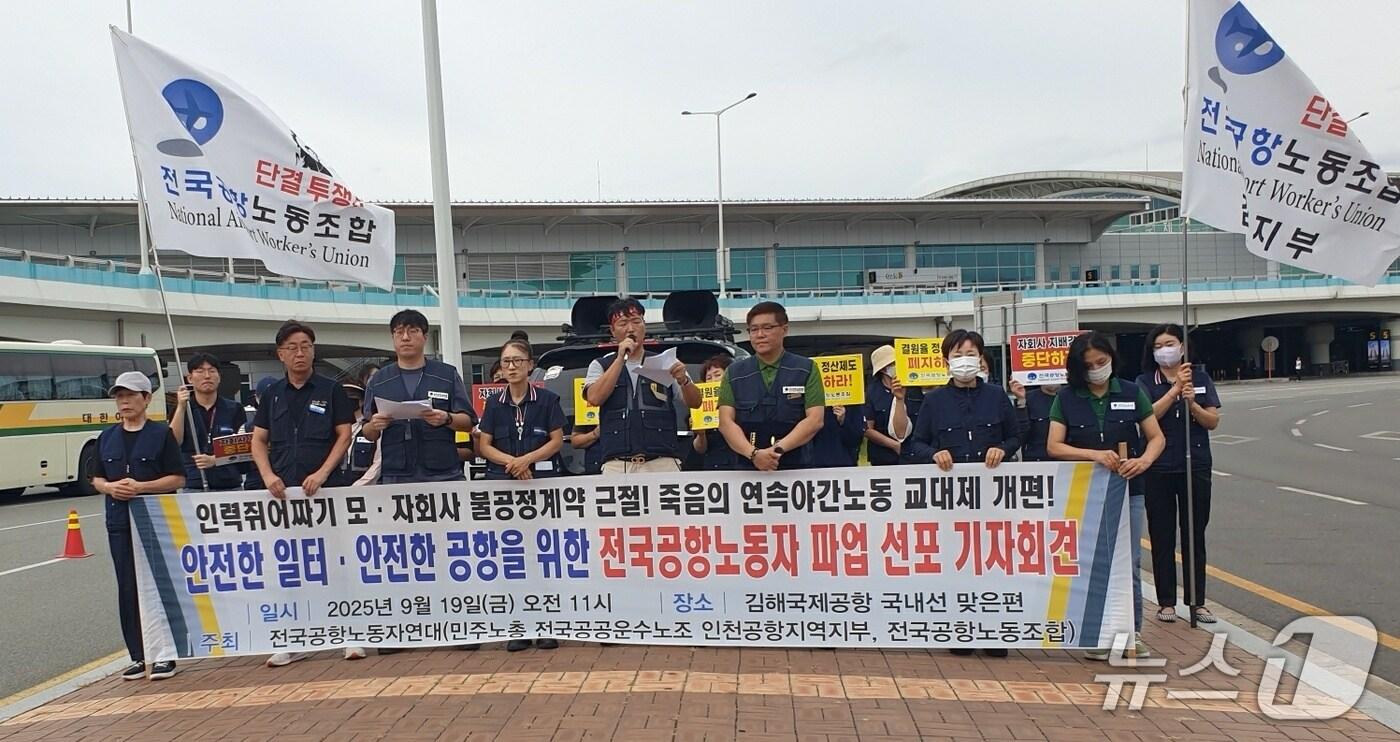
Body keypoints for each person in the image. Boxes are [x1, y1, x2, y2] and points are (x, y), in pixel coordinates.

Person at [1047, 331, 1164, 660]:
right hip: (1082, 492)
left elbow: (1155, 437)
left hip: (1129, 489)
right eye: (1090, 365)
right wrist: (1094, 454)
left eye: (1103, 362)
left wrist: (1144, 460)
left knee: (1129, 562)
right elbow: (1054, 446)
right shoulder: (1067, 398)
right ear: (1078, 369)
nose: (1098, 369)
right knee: (1091, 561)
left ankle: (1132, 632)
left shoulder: (1131, 391)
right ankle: (1097, 633)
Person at [907, 330, 1021, 657]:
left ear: (982, 358)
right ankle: (961, 631)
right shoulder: (934, 401)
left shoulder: (997, 396)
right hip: (952, 498)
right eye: (957, 355)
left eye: (971, 354)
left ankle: (996, 633)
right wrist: (934, 454)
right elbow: (916, 443)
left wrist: (1002, 449)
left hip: (993, 496)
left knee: (994, 564)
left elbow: (1015, 436)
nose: (964, 361)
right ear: (946, 361)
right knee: (958, 564)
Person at [250, 320, 357, 667]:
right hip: (285, 496)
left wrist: (323, 473)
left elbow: (344, 435)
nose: (300, 353)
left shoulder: (331, 390)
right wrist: (267, 475)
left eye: (306, 346)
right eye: (293, 347)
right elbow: (258, 440)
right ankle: (293, 638)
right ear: (281, 354)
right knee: (291, 569)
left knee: (337, 564)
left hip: (325, 493)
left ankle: (350, 634)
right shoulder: (272, 395)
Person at [92, 371, 185, 681]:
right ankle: (137, 655)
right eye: (119, 396)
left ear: (146, 399)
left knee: (161, 586)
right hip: (119, 521)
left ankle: (166, 655)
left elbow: (178, 478)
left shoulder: (161, 435)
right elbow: (96, 477)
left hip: (155, 520)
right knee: (127, 587)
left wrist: (142, 486)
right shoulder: (106, 437)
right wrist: (109, 488)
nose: (124, 401)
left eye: (131, 395)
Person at [475, 336, 565, 652]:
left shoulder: (548, 401)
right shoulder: (493, 405)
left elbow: (556, 441)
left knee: (543, 557)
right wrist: (513, 463)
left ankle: (546, 624)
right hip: (504, 487)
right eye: (506, 362)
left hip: (541, 485)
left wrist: (528, 459)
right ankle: (518, 626)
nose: (511, 367)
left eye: (517, 361)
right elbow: (483, 445)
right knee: (512, 559)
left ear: (529, 366)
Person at [1136, 324, 1221, 627]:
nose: (1165, 349)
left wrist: (1192, 403)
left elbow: (1212, 421)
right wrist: (1173, 392)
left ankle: (1197, 602)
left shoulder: (1200, 379)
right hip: (1159, 467)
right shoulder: (1144, 382)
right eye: (1158, 345)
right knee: (1162, 535)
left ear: (1183, 347)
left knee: (1194, 534)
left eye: (1170, 343)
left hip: (1194, 465)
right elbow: (1147, 415)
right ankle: (1166, 601)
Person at [583, 298, 702, 473]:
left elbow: (695, 402)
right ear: (613, 331)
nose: (631, 329)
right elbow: (594, 398)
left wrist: (683, 380)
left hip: (663, 461)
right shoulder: (601, 364)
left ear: (644, 326)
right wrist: (619, 359)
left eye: (636, 321)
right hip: (617, 463)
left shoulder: (664, 361)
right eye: (623, 323)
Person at [360, 309, 476, 485]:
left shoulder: (446, 375)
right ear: (393, 338)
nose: (405, 337)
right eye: (399, 332)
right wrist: (375, 425)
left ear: (425, 337)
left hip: (443, 473)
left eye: (413, 331)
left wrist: (447, 418)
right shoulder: (379, 380)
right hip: (396, 474)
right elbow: (367, 433)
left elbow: (468, 422)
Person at [717, 302, 825, 471]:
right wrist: (754, 454)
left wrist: (776, 451)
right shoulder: (734, 372)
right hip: (746, 468)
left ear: (784, 329)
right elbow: (725, 422)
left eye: (767, 328)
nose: (760, 335)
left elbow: (815, 420)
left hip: (797, 467)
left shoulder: (806, 368)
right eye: (754, 329)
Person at [169, 353, 247, 492]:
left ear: (219, 377)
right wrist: (181, 407)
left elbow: (243, 448)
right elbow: (174, 442)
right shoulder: (182, 408)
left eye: (212, 371)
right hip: (193, 484)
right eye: (200, 371)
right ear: (190, 378)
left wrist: (215, 460)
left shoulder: (234, 408)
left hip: (229, 484)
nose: (207, 376)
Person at [862, 345, 913, 467]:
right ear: (883, 369)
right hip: (882, 457)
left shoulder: (911, 386)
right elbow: (867, 428)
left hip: (913, 452)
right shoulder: (871, 393)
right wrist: (894, 445)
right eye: (892, 363)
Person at [689, 355, 737, 470]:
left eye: (718, 375)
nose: (713, 380)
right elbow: (700, 449)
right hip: (713, 466)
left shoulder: (742, 399)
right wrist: (701, 433)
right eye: (709, 377)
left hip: (740, 464)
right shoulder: (699, 406)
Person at [1008, 379, 1059, 462]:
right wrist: (1021, 401)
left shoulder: (1071, 397)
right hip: (1036, 464)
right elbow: (1019, 436)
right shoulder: (1026, 398)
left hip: (1070, 464)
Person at [808, 403, 865, 467]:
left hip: (841, 465)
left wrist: (843, 420)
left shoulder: (853, 402)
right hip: (808, 464)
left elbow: (856, 440)